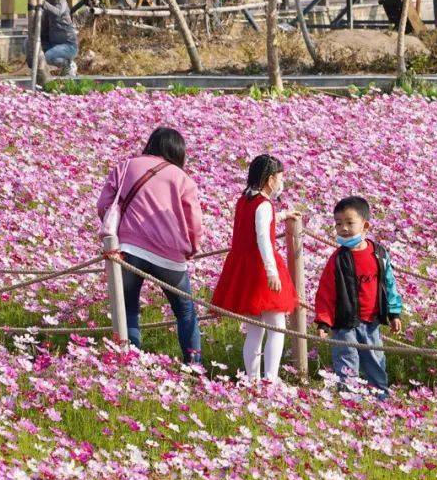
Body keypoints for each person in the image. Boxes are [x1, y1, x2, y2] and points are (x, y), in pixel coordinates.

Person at [97, 126, 203, 364]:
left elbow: (104, 204)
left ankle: (131, 363)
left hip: (129, 250)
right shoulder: (181, 178)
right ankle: (194, 366)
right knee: (185, 312)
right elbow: (194, 221)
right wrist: (192, 247)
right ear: (178, 151)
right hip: (170, 254)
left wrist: (123, 229)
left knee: (129, 309)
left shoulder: (126, 167)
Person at [212, 154, 296, 383]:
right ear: (270, 180)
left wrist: (283, 215)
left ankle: (252, 380)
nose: (281, 183)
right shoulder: (264, 204)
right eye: (280, 178)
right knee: (276, 326)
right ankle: (270, 378)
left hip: (242, 269)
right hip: (260, 269)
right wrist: (272, 271)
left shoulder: (244, 200)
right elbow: (263, 238)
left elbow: (256, 223)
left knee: (254, 330)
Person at [314, 196, 403, 396]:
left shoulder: (379, 254)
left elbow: (389, 284)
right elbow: (326, 292)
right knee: (347, 363)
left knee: (375, 362)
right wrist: (324, 321)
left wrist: (394, 313)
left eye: (349, 223)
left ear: (365, 225)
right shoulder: (338, 259)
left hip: (372, 321)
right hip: (344, 322)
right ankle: (349, 400)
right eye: (338, 224)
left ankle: (380, 399)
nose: (343, 228)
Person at [39, 0, 78, 77]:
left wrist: (44, 3)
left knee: (48, 56)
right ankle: (39, 73)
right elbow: (43, 29)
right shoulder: (47, 9)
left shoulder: (61, 1)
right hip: (52, 45)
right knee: (28, 43)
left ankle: (68, 64)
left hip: (68, 46)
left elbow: (58, 12)